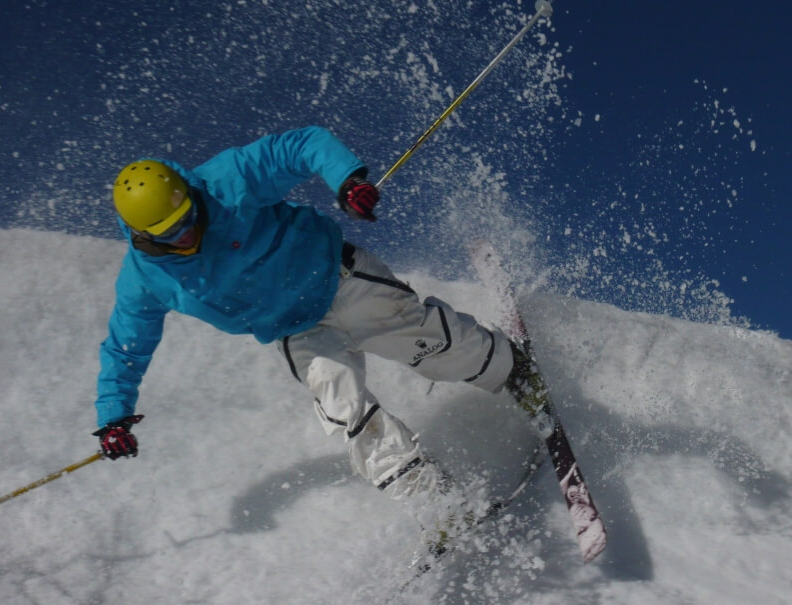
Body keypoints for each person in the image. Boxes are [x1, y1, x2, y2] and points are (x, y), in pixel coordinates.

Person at [94, 126, 546, 506]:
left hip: (340, 279)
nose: (188, 232)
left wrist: (346, 181)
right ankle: (434, 497)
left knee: (428, 346)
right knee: (343, 408)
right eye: (171, 233)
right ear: (143, 236)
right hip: (297, 331)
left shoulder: (224, 183)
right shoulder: (144, 280)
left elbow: (299, 145)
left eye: (189, 216)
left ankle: (515, 374)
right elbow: (125, 346)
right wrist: (115, 415)